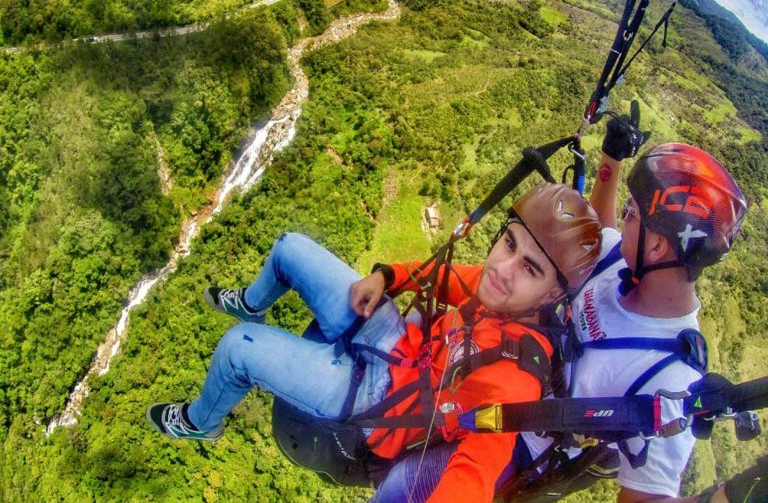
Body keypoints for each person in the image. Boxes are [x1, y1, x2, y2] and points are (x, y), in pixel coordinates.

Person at [146, 182, 603, 503]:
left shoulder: (514, 376)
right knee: (289, 247)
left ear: (554, 295)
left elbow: (475, 474)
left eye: (530, 269)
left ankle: (202, 421)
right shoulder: (496, 294)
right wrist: (388, 276)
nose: (503, 269)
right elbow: (439, 280)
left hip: (379, 402)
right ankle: (251, 302)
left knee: (236, 349)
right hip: (395, 338)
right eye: (508, 244)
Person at [369, 119, 749, 503]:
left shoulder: (669, 374)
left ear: (656, 250)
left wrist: (725, 498)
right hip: (504, 353)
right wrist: (610, 161)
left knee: (406, 484)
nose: (624, 216)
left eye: (632, 213)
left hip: (523, 433)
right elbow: (595, 236)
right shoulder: (621, 261)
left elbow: (648, 498)